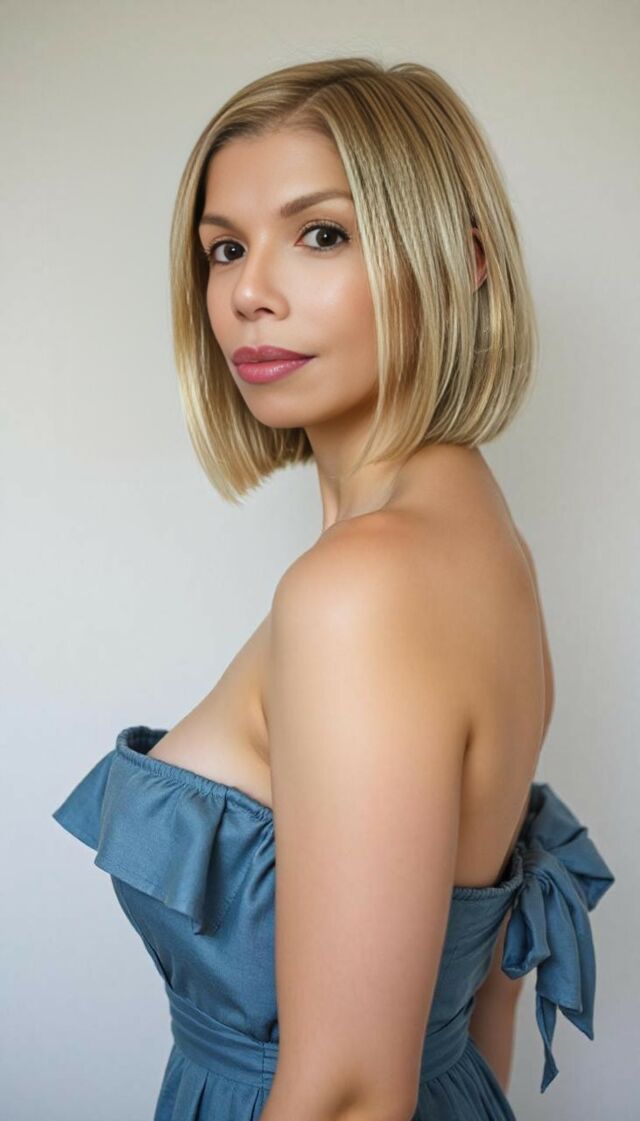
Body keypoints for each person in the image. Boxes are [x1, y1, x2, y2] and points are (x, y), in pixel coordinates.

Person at [52, 56, 615, 1120]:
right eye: (225, 247)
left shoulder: (363, 588)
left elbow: (351, 1092)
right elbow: (479, 1003)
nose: (247, 292)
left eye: (319, 233)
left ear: (463, 259)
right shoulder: (482, 543)